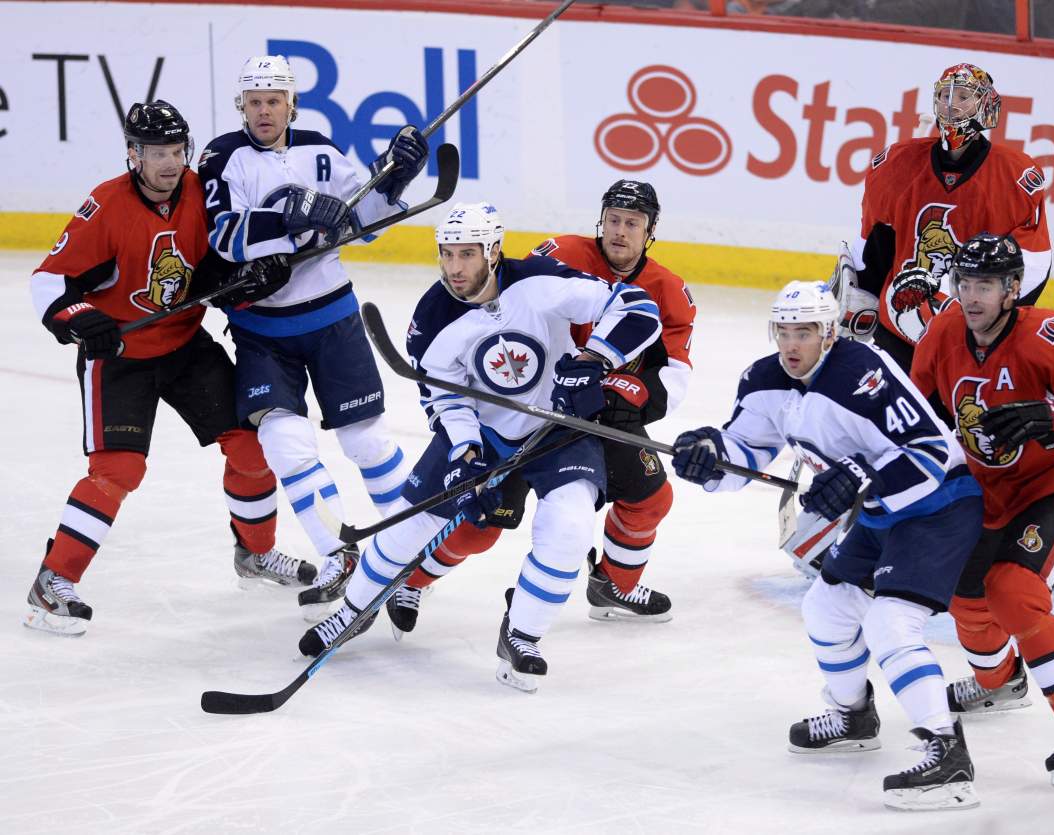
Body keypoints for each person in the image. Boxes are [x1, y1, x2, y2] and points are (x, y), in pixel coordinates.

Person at [298, 202, 663, 693]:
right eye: (447, 254)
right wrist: (465, 458)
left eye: (467, 254)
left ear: (493, 251)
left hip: (559, 425)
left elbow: (636, 308)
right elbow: (445, 398)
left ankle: (522, 635)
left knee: (571, 524)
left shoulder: (537, 279)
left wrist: (595, 358)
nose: (454, 267)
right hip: (484, 433)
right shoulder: (431, 319)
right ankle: (352, 612)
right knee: (414, 524)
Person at [671, 281, 984, 811]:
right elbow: (746, 449)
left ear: (829, 333)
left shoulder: (863, 372)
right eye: (784, 332)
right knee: (827, 608)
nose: (792, 345)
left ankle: (948, 753)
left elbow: (931, 452)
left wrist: (860, 475)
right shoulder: (765, 379)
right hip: (881, 514)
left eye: (805, 333)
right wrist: (708, 455)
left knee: (890, 624)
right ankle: (853, 715)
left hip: (939, 504)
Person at [24, 100, 305, 636]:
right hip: (121, 358)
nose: (170, 163)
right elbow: (48, 280)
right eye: (157, 152)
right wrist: (83, 319)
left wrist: (250, 278)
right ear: (134, 155)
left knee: (250, 445)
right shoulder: (104, 206)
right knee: (118, 472)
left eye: (177, 150)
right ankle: (53, 580)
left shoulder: (202, 192)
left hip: (183, 344)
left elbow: (216, 269)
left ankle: (255, 553)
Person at [382, 180, 693, 635]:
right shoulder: (561, 254)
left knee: (651, 498)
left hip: (597, 416)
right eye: (613, 220)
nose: (620, 232)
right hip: (524, 408)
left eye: (633, 223)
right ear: (600, 220)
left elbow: (675, 370)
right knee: (480, 524)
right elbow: (505, 304)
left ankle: (613, 584)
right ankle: (414, 579)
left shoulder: (667, 289)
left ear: (649, 232)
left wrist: (624, 395)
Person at [198, 55, 429, 613]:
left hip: (332, 320)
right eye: (253, 102)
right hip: (261, 330)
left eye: (272, 101)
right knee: (284, 442)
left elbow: (361, 222)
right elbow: (224, 236)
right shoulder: (222, 157)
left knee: (366, 441)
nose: (263, 112)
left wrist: (392, 175)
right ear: (241, 106)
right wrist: (289, 215)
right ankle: (337, 554)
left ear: (290, 103)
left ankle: (412, 548)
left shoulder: (321, 148)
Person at [910, 233, 1054, 789]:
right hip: (984, 495)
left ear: (1013, 288)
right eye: (964, 282)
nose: (971, 295)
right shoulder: (943, 331)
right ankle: (1000, 680)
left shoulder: (1049, 335)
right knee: (964, 595)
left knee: (1012, 591)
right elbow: (916, 415)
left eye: (985, 284)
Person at [846, 62, 1052, 370]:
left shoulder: (1015, 176)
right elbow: (874, 244)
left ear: (985, 104)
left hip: (969, 341)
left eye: (963, 96)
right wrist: (863, 294)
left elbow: (1032, 263)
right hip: (897, 332)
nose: (951, 104)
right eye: (944, 95)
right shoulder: (896, 164)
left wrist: (987, 324)